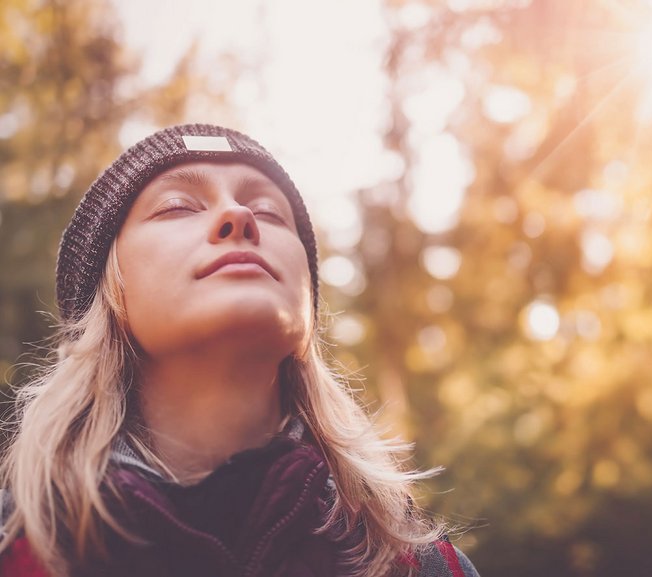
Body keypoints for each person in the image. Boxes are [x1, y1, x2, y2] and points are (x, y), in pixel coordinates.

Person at [0, 124, 479, 577]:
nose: (240, 217)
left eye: (270, 212)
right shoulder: (14, 551)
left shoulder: (424, 568)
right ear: (107, 290)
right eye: (177, 206)